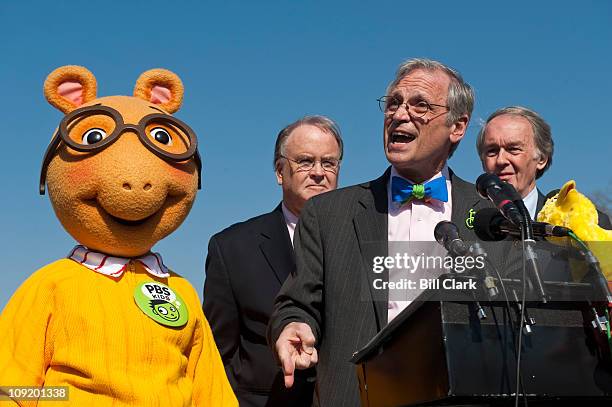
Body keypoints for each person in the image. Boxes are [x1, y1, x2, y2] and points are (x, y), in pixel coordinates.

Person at [268, 58, 501, 406]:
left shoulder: (488, 217)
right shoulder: (328, 214)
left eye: (420, 104)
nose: (399, 114)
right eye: (393, 103)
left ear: (458, 126)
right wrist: (293, 325)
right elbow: (297, 303)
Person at [203, 116, 343, 407]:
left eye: (328, 163)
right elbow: (217, 354)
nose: (318, 172)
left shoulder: (358, 238)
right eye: (305, 161)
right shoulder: (231, 248)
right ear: (280, 171)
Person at [477, 106, 610, 225]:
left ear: (541, 159)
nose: (501, 160)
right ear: (482, 160)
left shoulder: (578, 222)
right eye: (492, 151)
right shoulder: (462, 214)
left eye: (513, 149)